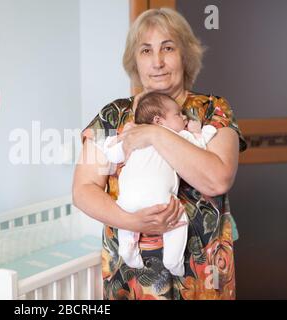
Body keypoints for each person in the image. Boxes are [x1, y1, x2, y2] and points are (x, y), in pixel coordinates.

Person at [72, 8, 247, 300]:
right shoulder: (113, 115)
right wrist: (133, 222)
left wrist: (155, 133)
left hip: (202, 279)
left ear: (185, 55)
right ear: (135, 61)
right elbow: (83, 190)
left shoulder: (212, 110)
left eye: (168, 48)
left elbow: (217, 179)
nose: (157, 62)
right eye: (145, 50)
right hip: (130, 279)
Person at [100, 92, 217, 277]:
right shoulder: (179, 136)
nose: (184, 117)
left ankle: (128, 249)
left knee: (127, 215)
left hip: (127, 202)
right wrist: (198, 131)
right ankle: (173, 260)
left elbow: (112, 155)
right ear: (159, 120)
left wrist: (120, 138)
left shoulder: (134, 137)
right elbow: (200, 146)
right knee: (178, 219)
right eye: (178, 114)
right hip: (159, 199)